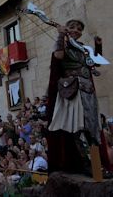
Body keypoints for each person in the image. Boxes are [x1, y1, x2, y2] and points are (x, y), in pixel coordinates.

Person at [47, 19, 107, 176]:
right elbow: (58, 55)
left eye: (79, 28)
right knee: (78, 128)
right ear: (67, 28)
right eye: (72, 27)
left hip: (88, 91)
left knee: (92, 129)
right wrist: (60, 35)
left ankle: (97, 166)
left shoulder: (83, 49)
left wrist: (98, 46)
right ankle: (87, 165)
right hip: (74, 91)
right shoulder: (64, 45)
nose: (76, 30)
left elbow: (95, 64)